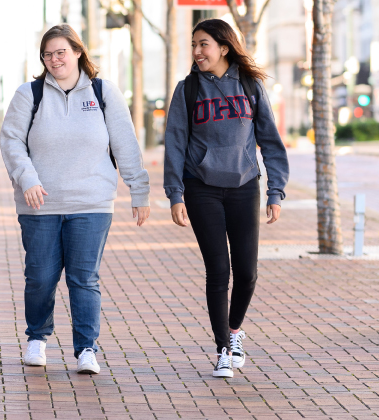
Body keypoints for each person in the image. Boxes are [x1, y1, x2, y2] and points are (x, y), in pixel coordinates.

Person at [0, 24, 150, 375]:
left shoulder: (102, 91)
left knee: (84, 278)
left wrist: (138, 191)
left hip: (91, 203)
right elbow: (11, 142)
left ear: (78, 52)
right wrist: (28, 179)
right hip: (40, 204)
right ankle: (37, 337)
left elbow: (124, 144)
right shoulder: (29, 94)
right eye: (48, 54)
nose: (54, 59)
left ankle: (86, 349)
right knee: (40, 277)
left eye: (61, 52)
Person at [162, 19, 289, 379]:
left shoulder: (249, 85)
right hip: (201, 187)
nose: (197, 51)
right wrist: (175, 193)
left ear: (224, 47)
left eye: (204, 44)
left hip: (244, 185)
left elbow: (271, 141)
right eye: (193, 45)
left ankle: (234, 331)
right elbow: (174, 143)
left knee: (247, 272)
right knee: (218, 270)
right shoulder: (187, 90)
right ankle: (222, 349)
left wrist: (275, 191)